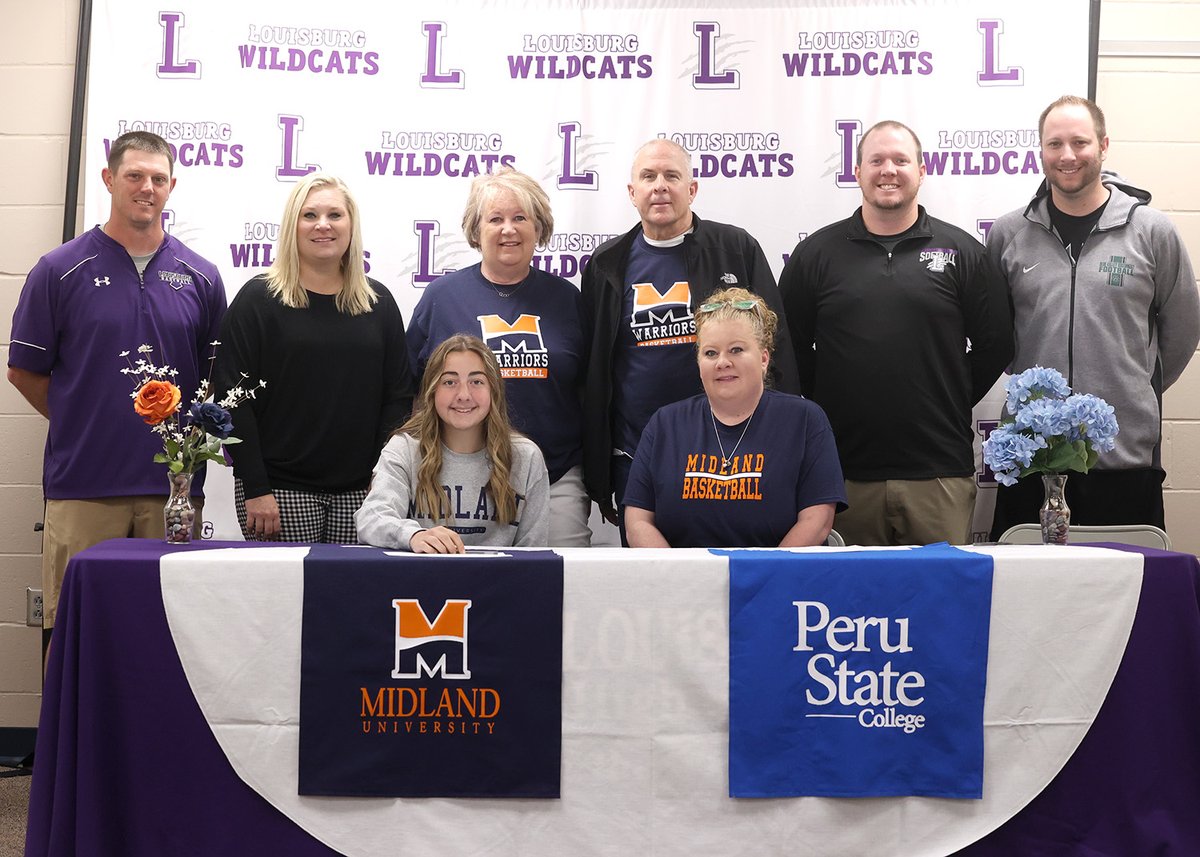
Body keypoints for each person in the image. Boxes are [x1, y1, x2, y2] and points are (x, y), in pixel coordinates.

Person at [7, 130, 226, 633]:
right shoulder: (58, 270)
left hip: (171, 492)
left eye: (158, 178)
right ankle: (71, 719)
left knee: (170, 635)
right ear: (109, 179)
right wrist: (88, 417)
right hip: (84, 489)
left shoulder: (202, 276)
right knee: (74, 633)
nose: (146, 187)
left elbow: (212, 383)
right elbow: (23, 371)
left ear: (172, 187)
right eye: (134, 176)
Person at [779, 120, 1013, 546]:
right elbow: (787, 348)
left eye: (901, 160)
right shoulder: (816, 254)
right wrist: (830, 395)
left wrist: (948, 391)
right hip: (842, 474)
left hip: (938, 472)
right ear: (857, 172)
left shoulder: (963, 252)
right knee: (845, 608)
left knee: (940, 602)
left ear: (921, 171)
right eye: (877, 160)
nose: (889, 169)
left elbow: (996, 344)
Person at [987, 95, 1200, 537]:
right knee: (1028, 596)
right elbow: (996, 333)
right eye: (1054, 144)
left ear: (1103, 146)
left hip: (1122, 459)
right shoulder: (1008, 233)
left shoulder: (1152, 231)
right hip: (1034, 458)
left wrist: (1136, 383)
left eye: (1080, 142)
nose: (1067, 156)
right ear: (1040, 151)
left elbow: (1182, 328)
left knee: (1128, 596)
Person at [581, 138, 800, 536]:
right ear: (632, 193)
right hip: (640, 455)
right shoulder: (605, 264)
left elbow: (775, 349)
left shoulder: (735, 249)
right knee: (656, 586)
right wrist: (601, 474)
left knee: (739, 577)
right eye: (648, 177)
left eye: (672, 176)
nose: (659, 186)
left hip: (735, 454)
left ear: (692, 189)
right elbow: (596, 371)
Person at [214, 173, 414, 543]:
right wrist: (256, 487)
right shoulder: (258, 301)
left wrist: (384, 477)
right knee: (286, 601)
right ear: (293, 225)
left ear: (351, 226)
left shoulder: (379, 304)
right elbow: (232, 401)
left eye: (335, 215)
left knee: (350, 600)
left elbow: (398, 397)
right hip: (278, 492)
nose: (323, 225)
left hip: (363, 493)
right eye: (310, 215)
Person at [406, 168, 589, 546]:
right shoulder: (442, 298)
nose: (509, 229)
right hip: (457, 479)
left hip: (555, 476)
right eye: (495, 219)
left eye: (520, 218)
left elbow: (590, 390)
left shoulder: (567, 299)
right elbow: (409, 386)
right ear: (475, 231)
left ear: (539, 228)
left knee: (560, 586)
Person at [623, 289, 845, 547]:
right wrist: (679, 579)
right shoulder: (665, 424)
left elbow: (817, 521)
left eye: (736, 350)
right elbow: (638, 520)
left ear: (764, 358)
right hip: (684, 582)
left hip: (777, 582)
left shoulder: (806, 421)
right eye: (710, 353)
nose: (722, 362)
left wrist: (762, 578)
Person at [356, 335, 549, 552]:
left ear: (494, 391)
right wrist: (414, 535)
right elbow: (371, 518)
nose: (464, 395)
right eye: (449, 382)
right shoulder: (405, 448)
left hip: (501, 583)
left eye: (476, 382)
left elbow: (535, 555)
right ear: (431, 391)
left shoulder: (526, 457)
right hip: (421, 583)